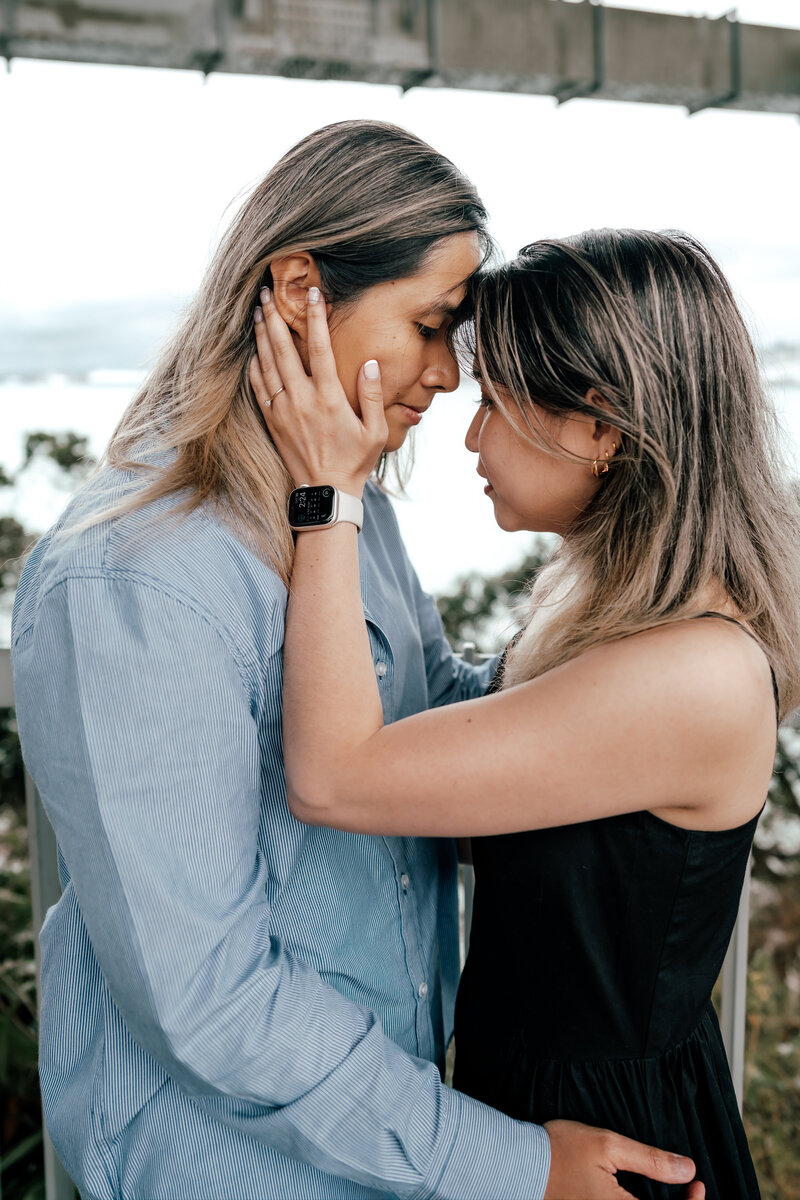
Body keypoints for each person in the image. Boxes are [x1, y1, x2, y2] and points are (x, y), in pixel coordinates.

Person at [9, 125, 703, 1200]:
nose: (445, 373)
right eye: (431, 325)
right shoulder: (134, 581)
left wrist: (659, 639)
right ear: (298, 287)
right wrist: (506, 1166)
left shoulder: (336, 500)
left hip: (377, 1139)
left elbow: (428, 717)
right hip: (232, 1171)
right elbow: (210, 1000)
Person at [251, 227, 800, 1199]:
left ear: (598, 426)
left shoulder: (692, 672)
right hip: (541, 1126)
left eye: (494, 404)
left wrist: (327, 492)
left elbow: (335, 776)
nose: (469, 436)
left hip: (608, 1151)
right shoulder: (604, 608)